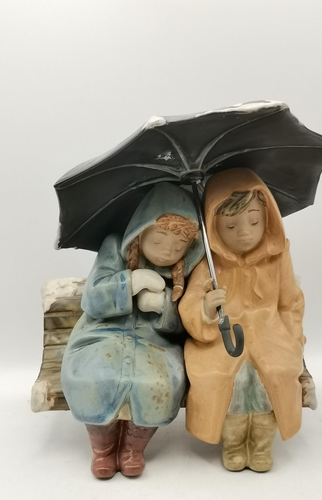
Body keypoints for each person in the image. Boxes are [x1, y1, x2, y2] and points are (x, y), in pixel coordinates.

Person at [61, 183, 204, 479]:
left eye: (178, 247)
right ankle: (102, 449)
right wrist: (130, 282)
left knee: (160, 383)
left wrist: (164, 306)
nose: (167, 252)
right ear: (141, 230)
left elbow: (186, 320)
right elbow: (92, 298)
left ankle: (133, 449)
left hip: (155, 343)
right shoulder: (115, 247)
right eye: (159, 240)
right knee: (94, 377)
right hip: (101, 335)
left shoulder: (187, 267)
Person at [179, 168, 317, 472]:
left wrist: (293, 339)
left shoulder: (278, 256)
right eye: (231, 225)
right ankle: (234, 442)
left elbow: (290, 302)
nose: (244, 232)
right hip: (220, 340)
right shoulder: (209, 262)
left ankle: (261, 443)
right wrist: (205, 308)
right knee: (227, 379)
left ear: (268, 218)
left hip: (272, 335)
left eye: (254, 221)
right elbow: (190, 302)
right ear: (214, 226)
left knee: (274, 375)